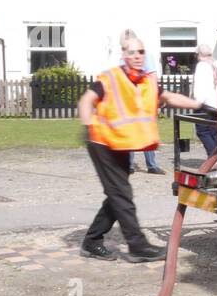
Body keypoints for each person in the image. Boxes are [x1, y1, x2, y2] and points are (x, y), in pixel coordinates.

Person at [78, 33, 201, 262]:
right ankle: (137, 246)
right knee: (121, 193)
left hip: (121, 143)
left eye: (141, 52)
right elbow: (86, 101)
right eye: (132, 52)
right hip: (101, 141)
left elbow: (170, 98)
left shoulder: (146, 82)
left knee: (117, 193)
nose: (137, 56)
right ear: (123, 55)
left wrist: (201, 106)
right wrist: (86, 124)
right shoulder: (111, 78)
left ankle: (92, 240)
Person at [121, 32, 165, 174]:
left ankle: (151, 165)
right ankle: (128, 165)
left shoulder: (146, 57)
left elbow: (152, 78)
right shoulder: (123, 58)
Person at [192, 42, 217, 157]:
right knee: (215, 133)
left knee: (202, 131)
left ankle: (214, 157)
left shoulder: (201, 66)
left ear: (198, 54)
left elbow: (199, 88)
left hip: (205, 105)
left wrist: (196, 102)